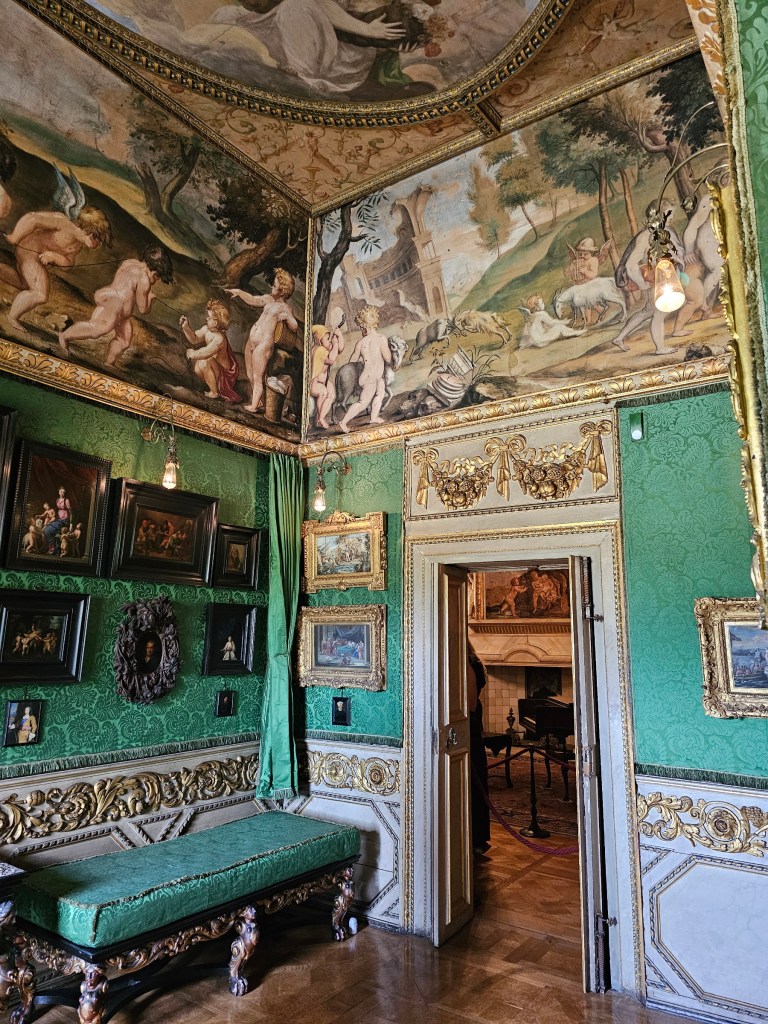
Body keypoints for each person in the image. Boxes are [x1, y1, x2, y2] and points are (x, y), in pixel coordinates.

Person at [2, 206, 113, 332]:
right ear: (90, 232)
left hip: (36, 260)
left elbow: (68, 265)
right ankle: (12, 317)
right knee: (40, 294)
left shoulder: (77, 246)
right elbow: (33, 218)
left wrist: (55, 257)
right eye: (97, 238)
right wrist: (14, 237)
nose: (97, 244)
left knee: (24, 284)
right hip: (29, 250)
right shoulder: (62, 222)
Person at [58, 244, 174, 365]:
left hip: (115, 304)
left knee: (124, 340)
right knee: (96, 329)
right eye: (157, 278)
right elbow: (143, 309)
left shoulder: (130, 263)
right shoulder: (144, 280)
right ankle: (64, 335)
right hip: (115, 306)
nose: (155, 281)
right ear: (155, 273)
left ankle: (109, 363)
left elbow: (120, 282)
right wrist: (149, 299)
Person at [226, 268, 298, 413]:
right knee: (250, 373)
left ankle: (253, 406)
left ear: (283, 291)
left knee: (258, 376)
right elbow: (253, 300)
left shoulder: (284, 307)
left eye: (275, 286)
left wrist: (287, 317)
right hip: (252, 341)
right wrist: (239, 292)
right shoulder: (268, 299)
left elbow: (295, 326)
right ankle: (258, 402)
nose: (272, 287)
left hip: (264, 344)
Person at [339, 305, 392, 433]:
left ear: (364, 326)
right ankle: (343, 422)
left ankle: (373, 417)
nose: (361, 329)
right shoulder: (381, 338)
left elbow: (352, 361)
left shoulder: (361, 343)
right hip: (371, 377)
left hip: (370, 376)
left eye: (361, 327)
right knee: (363, 402)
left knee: (380, 393)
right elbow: (388, 358)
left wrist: (364, 362)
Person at [180, 298, 242, 403]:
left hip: (223, 375)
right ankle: (212, 385)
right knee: (198, 367)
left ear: (216, 322)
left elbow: (206, 352)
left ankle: (214, 392)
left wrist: (193, 354)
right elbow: (194, 338)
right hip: (213, 367)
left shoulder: (219, 339)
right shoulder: (206, 329)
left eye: (209, 317)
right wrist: (186, 327)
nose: (206, 318)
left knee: (204, 361)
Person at [467, 639, 491, 855]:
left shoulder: (469, 663)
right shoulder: (473, 662)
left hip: (469, 728)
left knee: (474, 785)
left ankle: (476, 838)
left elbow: (471, 704)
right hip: (470, 727)